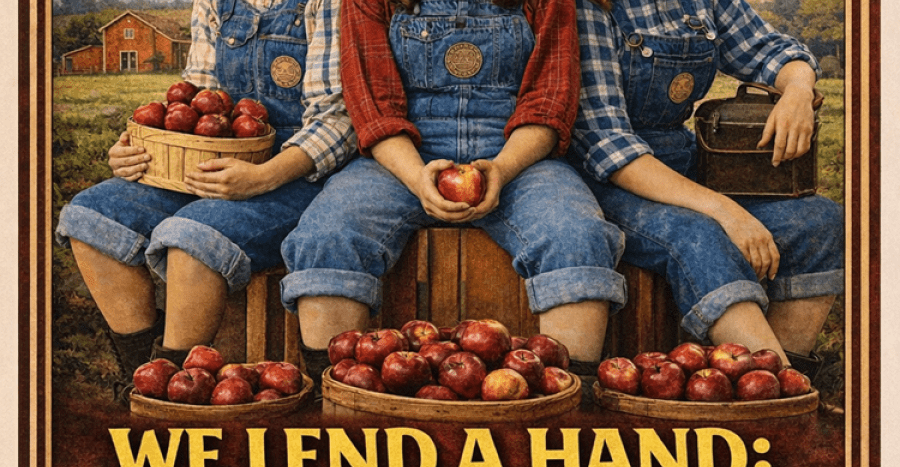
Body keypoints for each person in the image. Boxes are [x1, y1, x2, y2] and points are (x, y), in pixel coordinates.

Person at [279, 0, 628, 381]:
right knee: (328, 234)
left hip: (518, 153)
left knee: (577, 235)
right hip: (402, 154)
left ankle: (573, 394)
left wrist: (503, 168)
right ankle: (333, 389)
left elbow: (549, 101)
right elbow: (373, 107)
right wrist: (417, 178)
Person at [54, 0, 356, 394]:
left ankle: (178, 389)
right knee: (92, 216)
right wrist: (144, 146)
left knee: (194, 236)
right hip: (213, 159)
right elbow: (194, 97)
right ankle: (142, 374)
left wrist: (263, 176)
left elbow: (339, 118)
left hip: (295, 172)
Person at [569, 0, 844, 378]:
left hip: (683, 159)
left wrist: (797, 88)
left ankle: (778, 382)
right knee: (698, 234)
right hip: (612, 177)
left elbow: (769, 49)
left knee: (819, 220)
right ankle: (779, 388)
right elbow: (608, 144)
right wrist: (726, 211)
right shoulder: (589, 8)